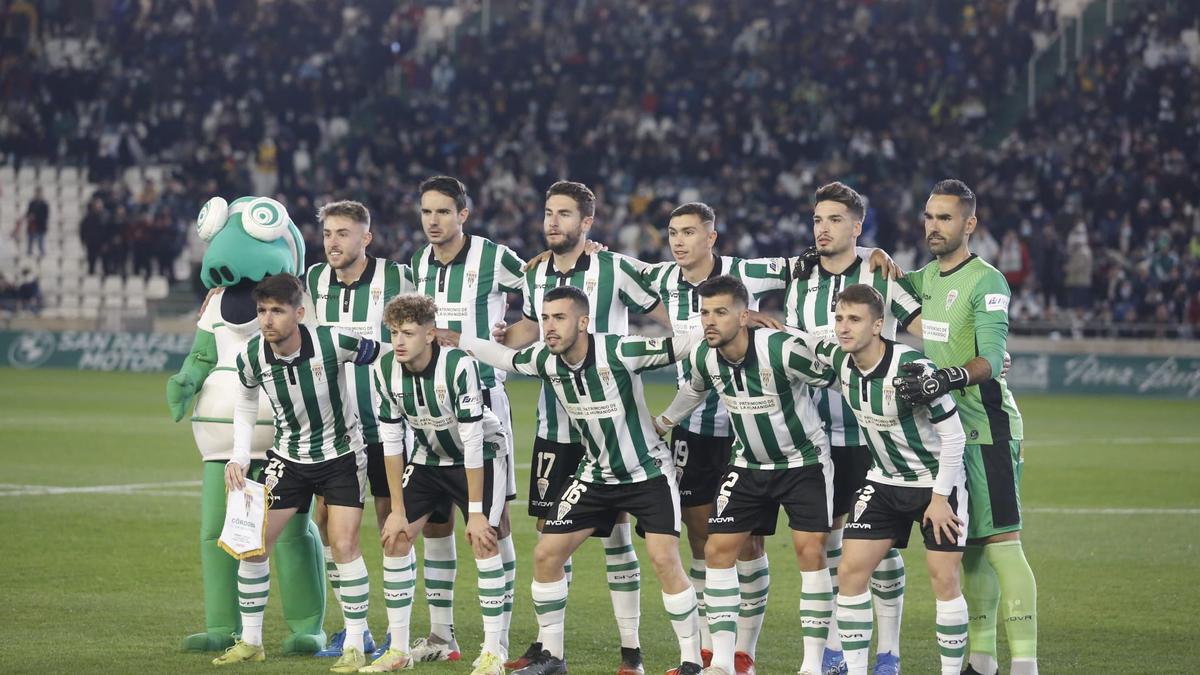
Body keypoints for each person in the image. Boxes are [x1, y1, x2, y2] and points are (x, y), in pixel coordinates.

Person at [453, 284, 703, 675]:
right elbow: (504, 357)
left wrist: (733, 323)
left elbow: (685, 344)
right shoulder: (546, 360)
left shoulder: (621, 350)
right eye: (546, 318)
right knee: (546, 554)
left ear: (583, 322)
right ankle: (553, 657)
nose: (550, 327)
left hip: (648, 472)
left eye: (560, 318)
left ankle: (691, 662)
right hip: (596, 474)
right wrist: (458, 340)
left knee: (663, 559)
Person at [491, 180, 672, 673]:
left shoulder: (614, 268)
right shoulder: (534, 274)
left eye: (565, 214)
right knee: (553, 532)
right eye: (549, 212)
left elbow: (666, 314)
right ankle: (551, 649)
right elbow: (532, 327)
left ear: (587, 223)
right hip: (556, 424)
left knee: (616, 538)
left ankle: (631, 651)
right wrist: (507, 335)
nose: (554, 222)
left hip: (612, 429)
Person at [656, 275, 837, 675]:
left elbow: (834, 376)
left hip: (803, 463)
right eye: (705, 312)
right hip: (748, 466)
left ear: (744, 314)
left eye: (720, 312)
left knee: (811, 553)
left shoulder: (780, 349)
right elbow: (695, 389)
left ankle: (812, 665)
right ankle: (722, 663)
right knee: (719, 551)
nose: (710, 321)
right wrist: (663, 422)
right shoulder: (705, 355)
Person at [639, 202, 791, 674]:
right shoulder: (663, 279)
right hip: (694, 428)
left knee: (749, 544)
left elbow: (810, 264)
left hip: (747, 430)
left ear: (712, 236)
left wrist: (872, 254)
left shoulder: (747, 272)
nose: (679, 241)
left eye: (689, 232)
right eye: (672, 232)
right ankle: (710, 648)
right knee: (703, 536)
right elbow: (606, 268)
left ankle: (744, 650)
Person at [892, 180, 1037, 675]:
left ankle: (1025, 664)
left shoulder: (988, 281)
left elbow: (992, 359)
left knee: (1001, 542)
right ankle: (982, 660)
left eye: (946, 218)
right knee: (969, 547)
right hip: (947, 434)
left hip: (989, 427)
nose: (934, 226)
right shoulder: (926, 278)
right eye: (929, 217)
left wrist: (948, 377)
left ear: (969, 224)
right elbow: (883, 281)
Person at [783, 182, 922, 675]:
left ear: (857, 227)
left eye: (835, 220)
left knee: (880, 551)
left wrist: (979, 357)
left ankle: (889, 652)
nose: (823, 228)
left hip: (875, 436)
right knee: (835, 543)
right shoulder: (799, 275)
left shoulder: (879, 271)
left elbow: (924, 324)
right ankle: (839, 650)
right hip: (817, 436)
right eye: (818, 219)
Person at [798, 283, 970, 675]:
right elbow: (804, 340)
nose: (843, 327)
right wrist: (759, 322)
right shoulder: (840, 361)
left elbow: (954, 436)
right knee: (850, 571)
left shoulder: (913, 369)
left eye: (854, 320)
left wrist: (941, 498)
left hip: (935, 484)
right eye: (839, 318)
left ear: (878, 326)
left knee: (944, 578)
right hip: (883, 481)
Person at [214, 273, 381, 673]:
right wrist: (238, 457)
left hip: (341, 455)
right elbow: (245, 404)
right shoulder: (252, 355)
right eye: (262, 311)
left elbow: (384, 353)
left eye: (277, 310)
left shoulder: (332, 341)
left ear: (299, 313)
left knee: (343, 545)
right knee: (252, 544)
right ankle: (252, 642)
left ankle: (356, 643)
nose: (267, 319)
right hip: (288, 458)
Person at [405, 176, 526, 662]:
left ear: (463, 215)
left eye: (442, 212)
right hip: (432, 404)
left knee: (495, 521)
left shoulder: (493, 257)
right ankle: (442, 637)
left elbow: (544, 284)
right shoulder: (418, 263)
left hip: (484, 400)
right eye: (426, 212)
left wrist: (510, 335)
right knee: (436, 522)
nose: (433, 221)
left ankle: (498, 640)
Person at [362, 294, 513, 674]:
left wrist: (477, 514)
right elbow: (392, 443)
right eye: (394, 332)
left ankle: (494, 651)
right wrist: (397, 511)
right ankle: (398, 650)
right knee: (394, 538)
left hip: (481, 458)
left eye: (408, 333)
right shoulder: (384, 370)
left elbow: (475, 442)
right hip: (428, 460)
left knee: (483, 539)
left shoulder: (459, 367)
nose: (398, 341)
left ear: (430, 334)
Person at [302, 200, 414, 660]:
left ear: (365, 238)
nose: (333, 242)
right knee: (329, 522)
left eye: (343, 233)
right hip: (333, 427)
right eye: (328, 233)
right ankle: (355, 630)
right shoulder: (313, 280)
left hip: (385, 420)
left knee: (391, 520)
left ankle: (396, 632)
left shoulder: (397, 278)